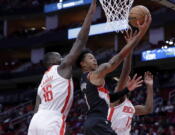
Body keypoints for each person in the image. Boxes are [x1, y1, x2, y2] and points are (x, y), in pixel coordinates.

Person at [28, 0, 96, 135]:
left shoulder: (42, 82)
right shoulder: (61, 68)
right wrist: (90, 13)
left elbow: (36, 108)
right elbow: (80, 41)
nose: (63, 57)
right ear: (53, 61)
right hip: (52, 119)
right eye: (59, 56)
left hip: (35, 121)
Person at [76, 15, 151, 135]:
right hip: (99, 123)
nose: (95, 60)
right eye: (90, 58)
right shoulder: (95, 75)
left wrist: (127, 89)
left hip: (93, 123)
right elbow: (117, 59)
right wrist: (140, 35)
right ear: (83, 64)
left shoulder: (85, 80)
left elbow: (109, 98)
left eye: (94, 57)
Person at [108, 32, 153, 135]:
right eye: (125, 80)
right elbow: (126, 71)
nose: (127, 79)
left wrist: (149, 86)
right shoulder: (116, 101)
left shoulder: (130, 106)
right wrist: (130, 47)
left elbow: (148, 109)